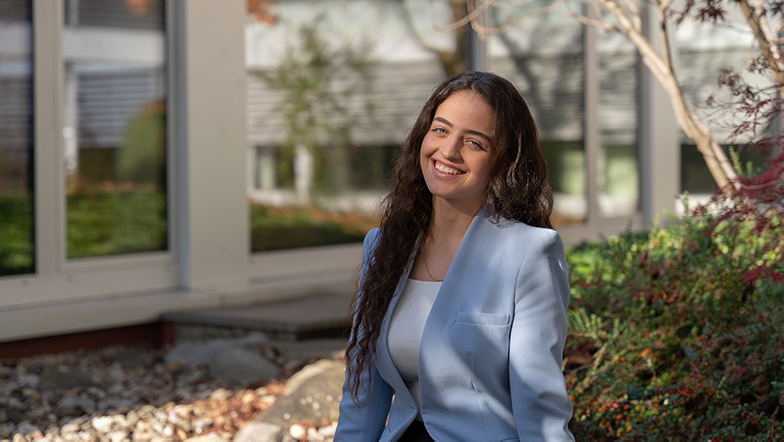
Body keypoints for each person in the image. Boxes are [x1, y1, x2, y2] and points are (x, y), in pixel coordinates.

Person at [335, 71, 574, 441]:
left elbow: (540, 406)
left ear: (502, 160)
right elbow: (361, 397)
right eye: (441, 130)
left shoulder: (529, 253)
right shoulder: (382, 246)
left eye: (474, 142)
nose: (448, 151)